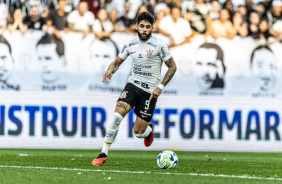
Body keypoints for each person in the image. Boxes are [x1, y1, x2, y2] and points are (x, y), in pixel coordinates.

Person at [92, 11, 177, 166]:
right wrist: (110, 70)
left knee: (138, 133)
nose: (144, 30)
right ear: (137, 26)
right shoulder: (131, 43)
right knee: (117, 116)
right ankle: (103, 153)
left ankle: (148, 131)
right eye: (142, 26)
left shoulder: (159, 45)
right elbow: (117, 62)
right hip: (133, 85)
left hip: (150, 92)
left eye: (148, 27)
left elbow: (172, 67)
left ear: (152, 28)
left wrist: (160, 87)